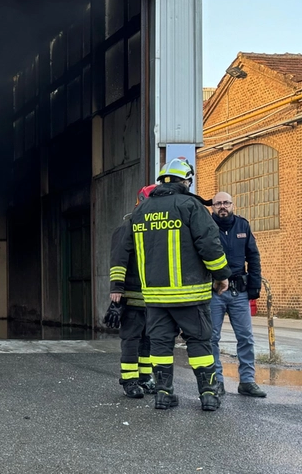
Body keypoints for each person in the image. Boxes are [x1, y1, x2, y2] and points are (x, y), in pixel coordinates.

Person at [120, 158, 232, 411]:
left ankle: (163, 394)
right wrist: (221, 275)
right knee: (200, 342)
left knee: (160, 345)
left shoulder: (141, 210)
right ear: (186, 181)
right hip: (189, 295)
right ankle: (208, 395)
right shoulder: (190, 205)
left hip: (155, 297)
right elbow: (209, 244)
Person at [209, 192, 266, 398]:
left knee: (246, 338)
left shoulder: (243, 225)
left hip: (239, 291)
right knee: (211, 338)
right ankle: (216, 381)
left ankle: (247, 381)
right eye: (218, 204)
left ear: (232, 205)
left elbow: (253, 256)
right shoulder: (206, 227)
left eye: (226, 203)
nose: (222, 206)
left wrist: (254, 286)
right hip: (214, 292)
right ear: (212, 207)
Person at [109, 185, 157, 398]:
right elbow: (118, 259)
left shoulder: (154, 228)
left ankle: (145, 377)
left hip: (152, 298)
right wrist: (117, 288)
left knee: (147, 339)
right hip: (132, 295)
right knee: (132, 339)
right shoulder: (127, 227)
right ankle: (129, 380)